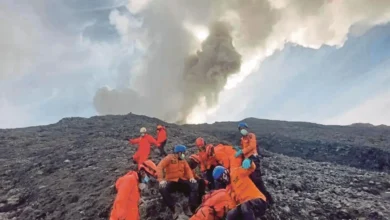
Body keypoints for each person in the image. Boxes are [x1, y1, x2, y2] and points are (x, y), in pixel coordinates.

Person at [235, 122, 274, 205]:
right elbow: (244, 148)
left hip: (253, 158)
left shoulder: (251, 135)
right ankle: (259, 199)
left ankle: (268, 200)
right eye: (240, 129)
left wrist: (242, 151)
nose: (242, 130)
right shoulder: (242, 139)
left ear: (246, 128)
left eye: (243, 128)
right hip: (246, 161)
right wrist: (240, 150)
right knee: (252, 180)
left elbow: (252, 146)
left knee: (257, 180)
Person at [157, 145, 198, 219]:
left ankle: (192, 207)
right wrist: (161, 180)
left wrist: (191, 177)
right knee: (162, 189)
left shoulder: (183, 159)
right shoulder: (169, 158)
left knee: (194, 185)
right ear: (179, 153)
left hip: (180, 181)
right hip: (171, 181)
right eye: (183, 153)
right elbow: (159, 166)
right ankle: (173, 208)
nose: (184, 154)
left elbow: (188, 169)